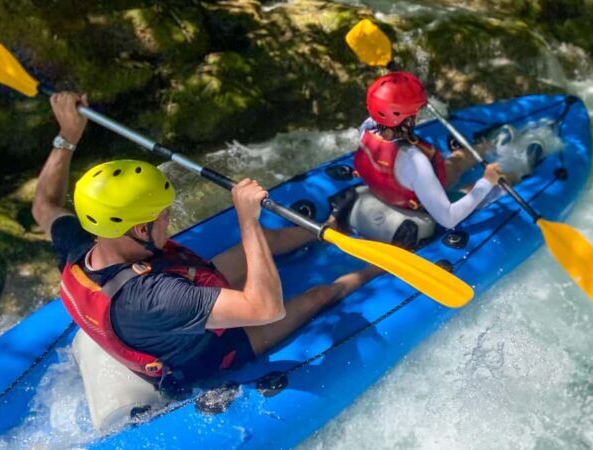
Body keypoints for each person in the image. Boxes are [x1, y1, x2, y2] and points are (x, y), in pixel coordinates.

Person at [32, 92, 379, 384]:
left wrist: (68, 134)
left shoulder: (82, 245)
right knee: (320, 295)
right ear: (140, 229)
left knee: (265, 244)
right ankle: (380, 265)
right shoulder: (155, 297)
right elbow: (265, 309)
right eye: (164, 215)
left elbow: (44, 205)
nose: (169, 219)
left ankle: (329, 229)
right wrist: (247, 221)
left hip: (163, 312)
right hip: (210, 352)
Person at [353, 71, 503, 230]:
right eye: (415, 112)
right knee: (494, 182)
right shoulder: (414, 161)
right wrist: (487, 181)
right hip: (416, 205)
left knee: (455, 165)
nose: (417, 114)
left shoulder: (368, 126)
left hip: (393, 189)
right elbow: (448, 219)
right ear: (403, 117)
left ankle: (489, 145)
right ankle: (513, 169)